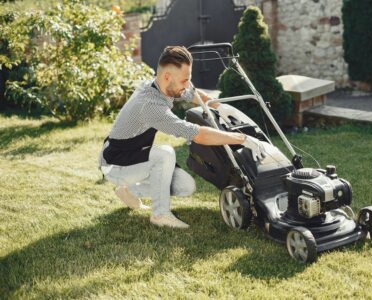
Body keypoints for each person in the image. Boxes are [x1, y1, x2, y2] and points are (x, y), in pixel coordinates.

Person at [99, 46, 268, 229]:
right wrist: (242, 139)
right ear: (167, 77)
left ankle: (128, 191)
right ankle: (160, 215)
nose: (187, 85)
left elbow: (193, 94)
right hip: (115, 163)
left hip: (136, 156)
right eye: (185, 80)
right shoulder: (150, 105)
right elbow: (198, 134)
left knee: (186, 186)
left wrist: (218, 107)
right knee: (164, 154)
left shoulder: (161, 86)